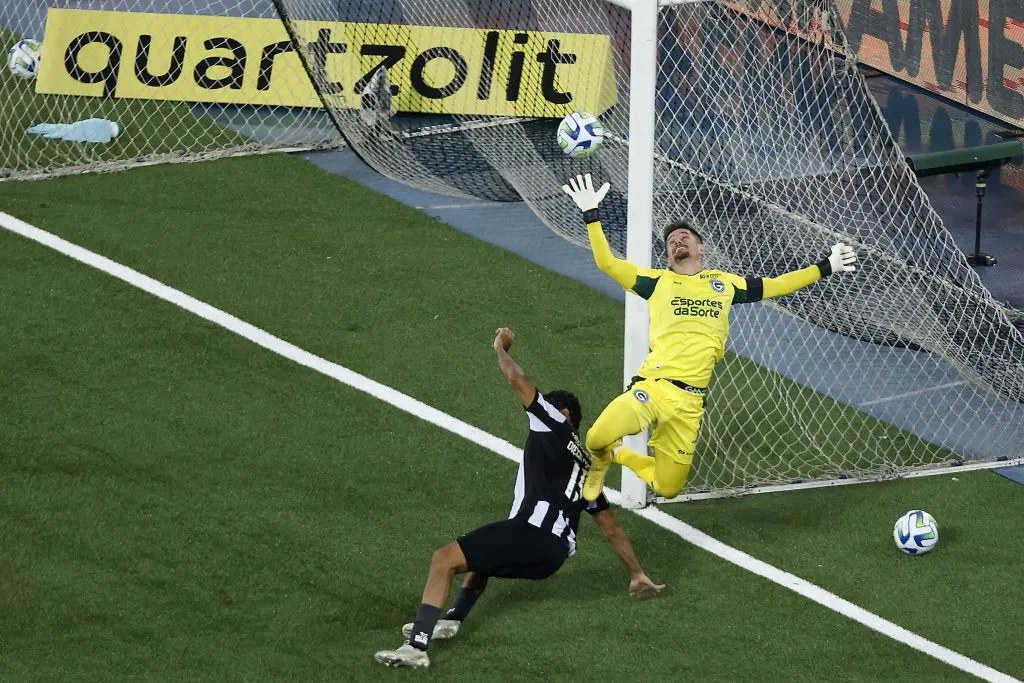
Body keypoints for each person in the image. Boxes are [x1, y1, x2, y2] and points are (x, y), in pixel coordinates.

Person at [374, 327, 664, 669]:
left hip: (532, 533)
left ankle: (416, 647)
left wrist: (500, 347)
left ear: (564, 413)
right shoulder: (588, 468)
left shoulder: (553, 423)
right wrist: (636, 573)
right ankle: (452, 618)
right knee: (483, 556)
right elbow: (611, 529)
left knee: (444, 559)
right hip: (553, 556)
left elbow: (517, 378)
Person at [561, 174, 858, 501]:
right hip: (654, 386)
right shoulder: (656, 282)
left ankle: (618, 454)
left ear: (701, 248)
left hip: (690, 402)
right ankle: (601, 458)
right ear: (668, 256)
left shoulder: (725, 284)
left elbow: (777, 285)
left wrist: (826, 266)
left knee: (668, 487)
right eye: (671, 241)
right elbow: (606, 262)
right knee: (596, 437)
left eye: (684, 236)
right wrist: (591, 214)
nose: (677, 241)